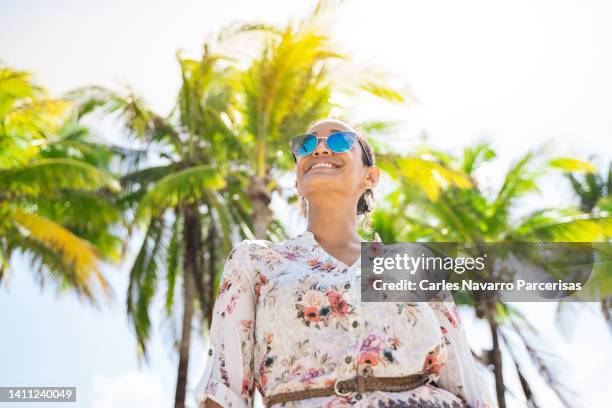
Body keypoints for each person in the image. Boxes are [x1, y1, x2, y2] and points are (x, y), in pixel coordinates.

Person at [196, 119, 496, 407]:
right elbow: (223, 390)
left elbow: (465, 385)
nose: (320, 149)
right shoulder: (256, 261)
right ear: (298, 180)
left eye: (340, 141)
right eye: (306, 143)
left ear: (370, 176)